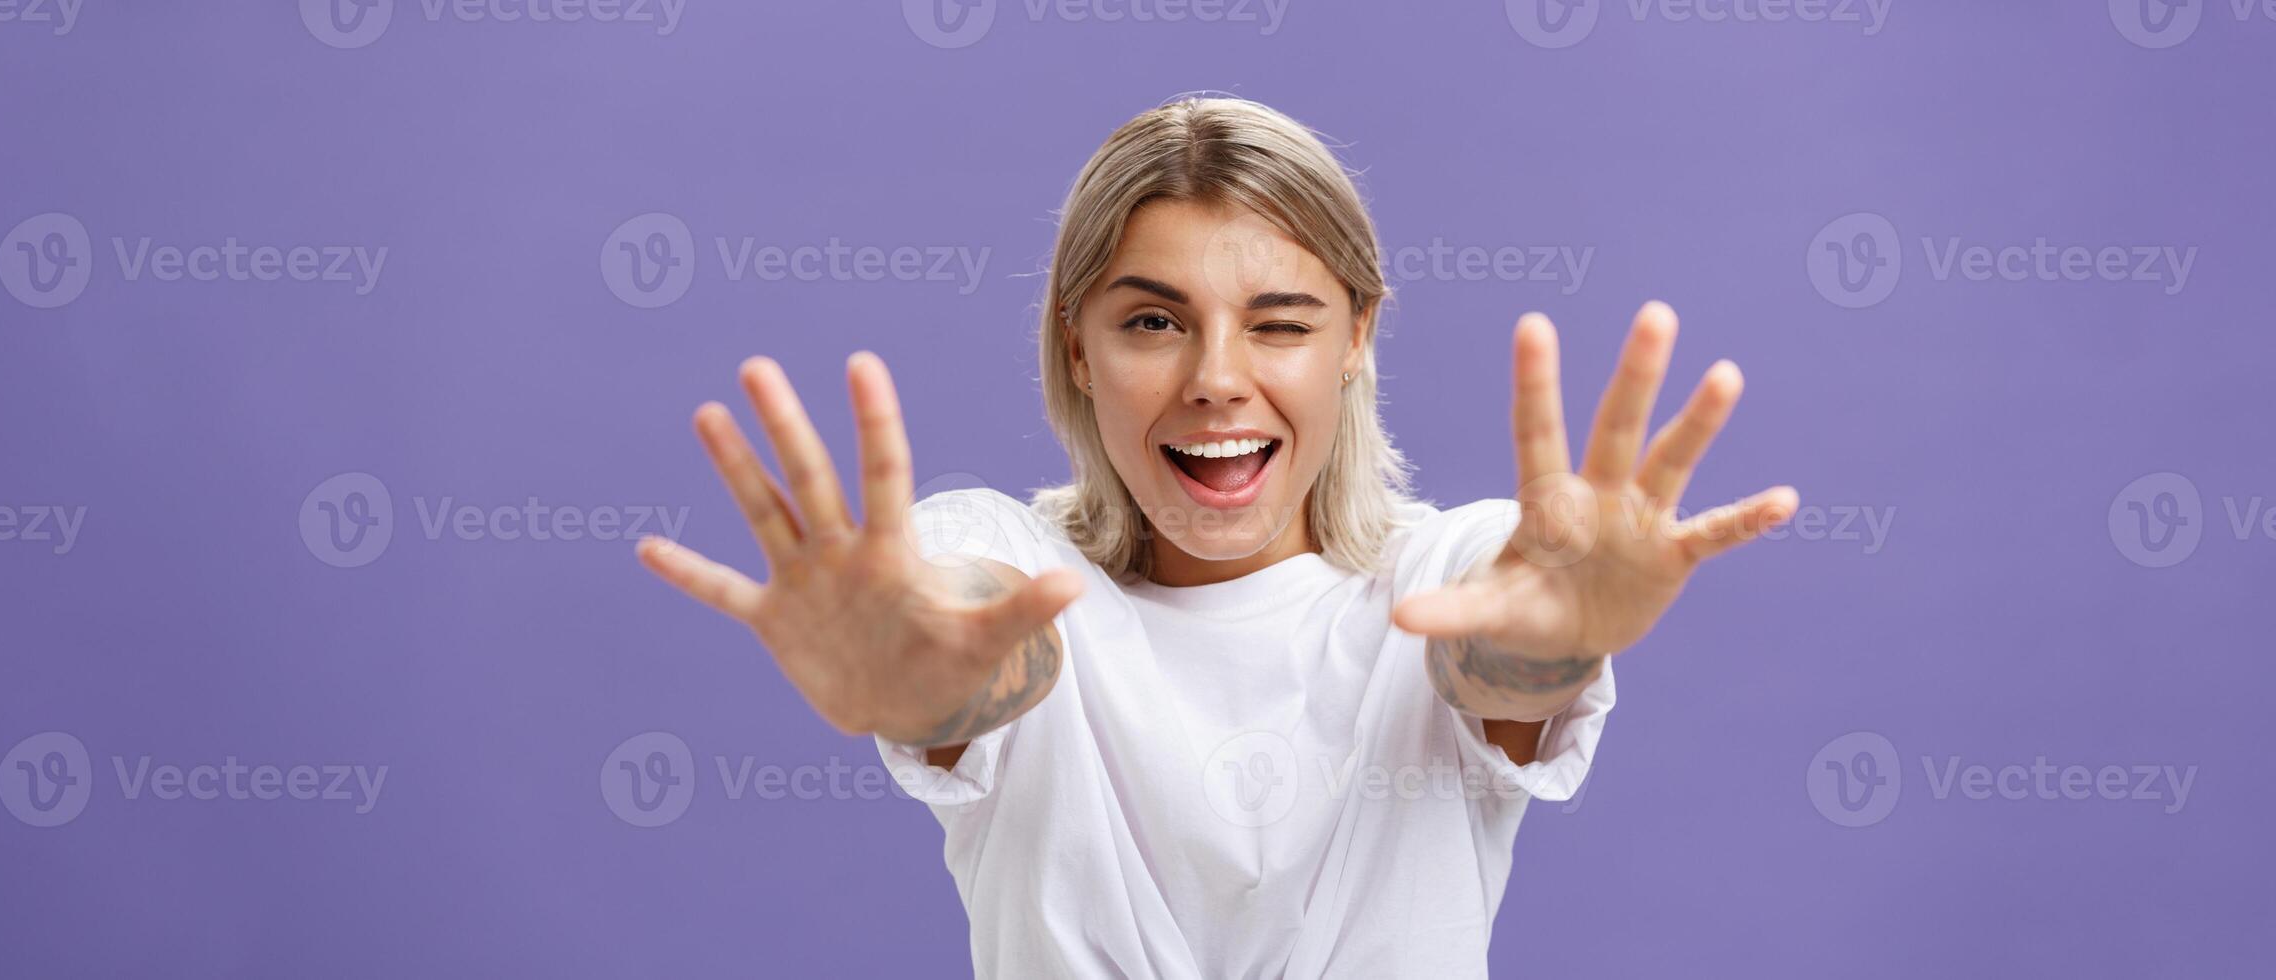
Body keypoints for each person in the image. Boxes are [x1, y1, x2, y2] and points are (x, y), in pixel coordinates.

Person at [633, 95, 1798, 978]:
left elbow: (1495, 651)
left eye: (1278, 323)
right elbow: (975, 636)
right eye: (1152, 320)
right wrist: (924, 676)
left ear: (1355, 336)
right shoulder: (1015, 563)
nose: (1216, 380)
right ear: (1077, 347)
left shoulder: (1443, 574)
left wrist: (1556, 644)